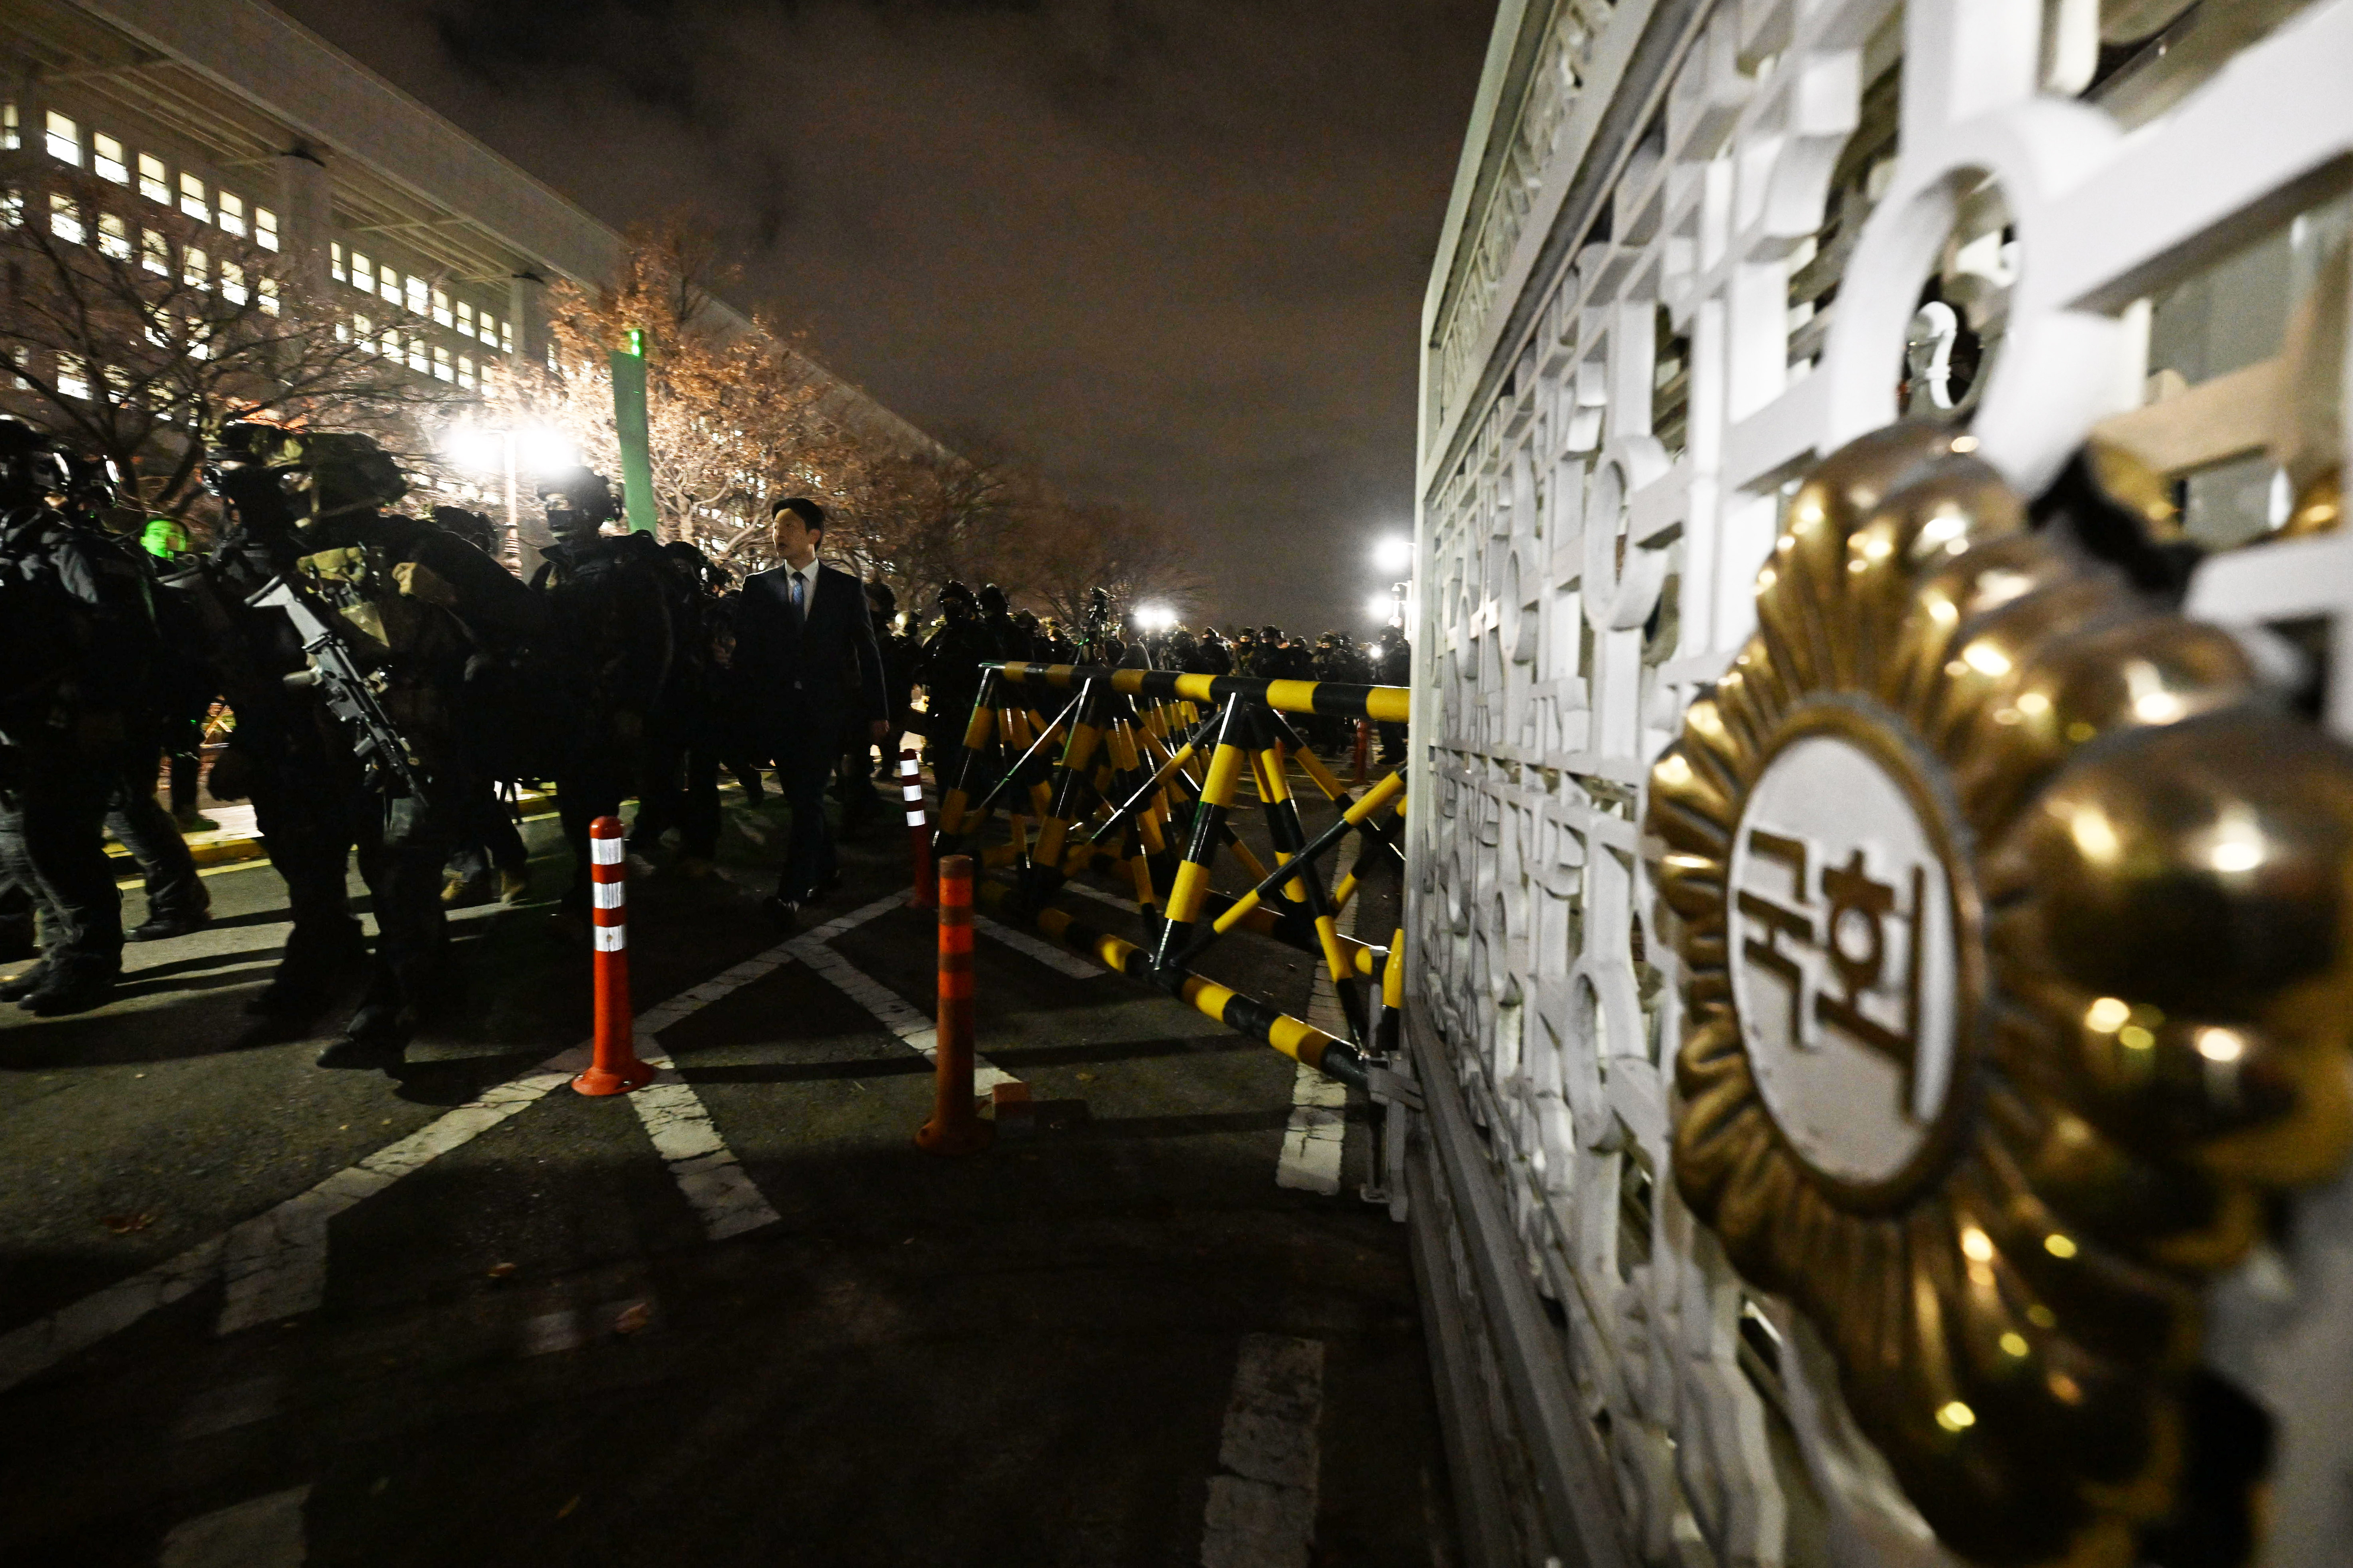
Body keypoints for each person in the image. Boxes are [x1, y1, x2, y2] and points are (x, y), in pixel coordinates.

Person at [0, 422, 160, 1014]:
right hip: (16, 721)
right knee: (21, 848)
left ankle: (91, 956)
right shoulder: (11, 544)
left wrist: (98, 707)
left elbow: (121, 634)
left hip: (65, 719)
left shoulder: (67, 544)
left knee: (58, 840)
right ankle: (61, 946)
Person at [735, 498, 888, 923]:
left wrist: (878, 710)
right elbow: (746, 658)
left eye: (789, 525)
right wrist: (745, 717)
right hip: (779, 712)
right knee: (801, 797)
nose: (777, 533)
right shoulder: (758, 587)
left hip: (825, 713)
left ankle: (791, 892)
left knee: (807, 800)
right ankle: (828, 867)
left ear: (814, 536)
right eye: (775, 526)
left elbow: (867, 653)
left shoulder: (844, 588)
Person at [530, 469, 675, 917]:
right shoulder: (549, 572)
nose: (555, 512)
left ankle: (599, 901)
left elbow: (656, 643)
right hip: (562, 711)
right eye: (549, 503)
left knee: (597, 810)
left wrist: (633, 707)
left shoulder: (626, 571)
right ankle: (593, 891)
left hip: (609, 709)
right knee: (576, 811)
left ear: (591, 509)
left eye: (565, 503)